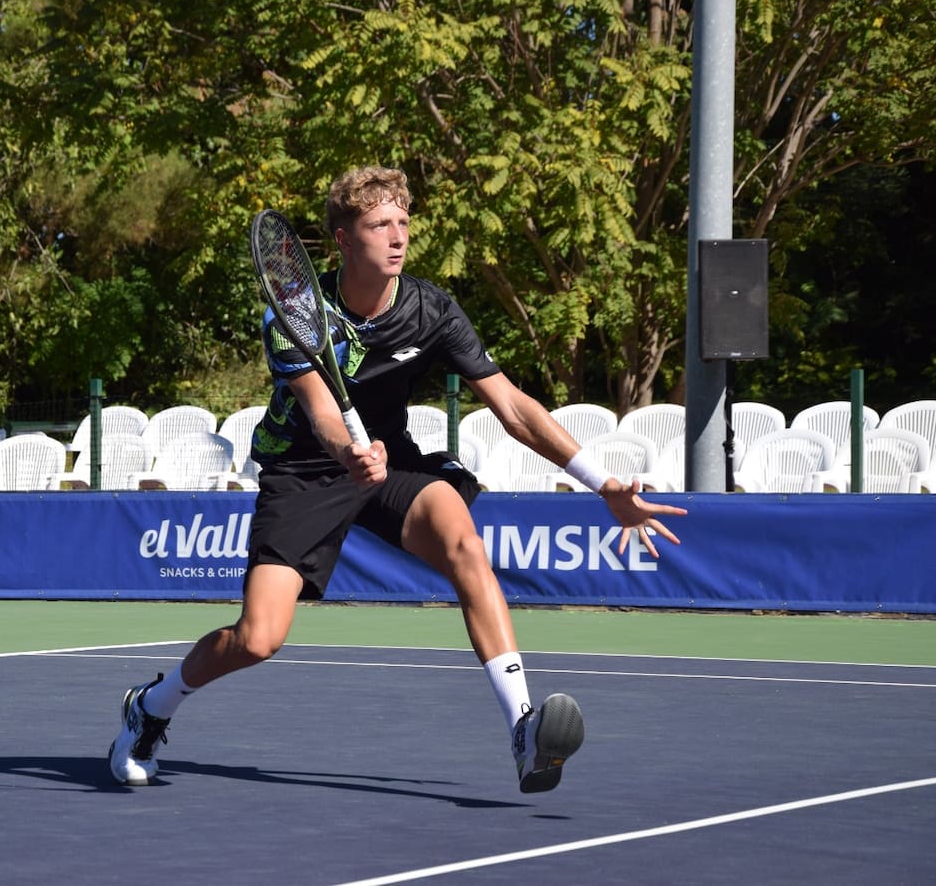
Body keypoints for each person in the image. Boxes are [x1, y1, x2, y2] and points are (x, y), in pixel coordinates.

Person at [110, 166, 687, 792]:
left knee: (464, 544)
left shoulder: (431, 309)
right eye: (378, 223)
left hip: (395, 463)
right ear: (342, 240)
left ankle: (522, 726)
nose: (397, 236)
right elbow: (322, 414)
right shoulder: (296, 314)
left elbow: (514, 406)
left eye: (403, 222)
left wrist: (601, 483)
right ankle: (153, 706)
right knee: (258, 639)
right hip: (304, 472)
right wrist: (350, 453)